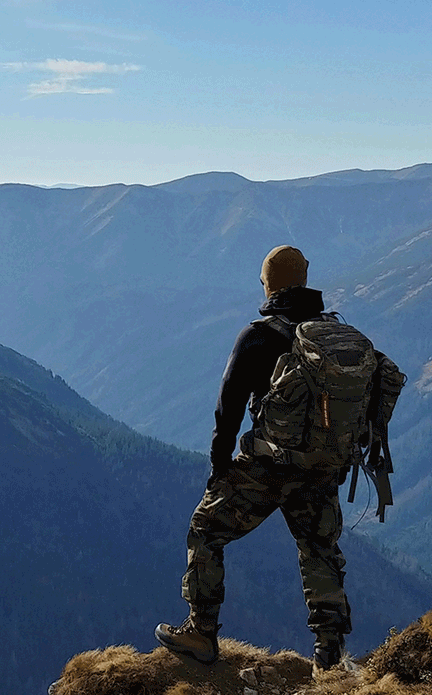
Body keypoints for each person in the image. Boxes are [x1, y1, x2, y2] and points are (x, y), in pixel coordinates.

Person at [156, 245, 390, 670]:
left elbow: (227, 409)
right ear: (303, 279)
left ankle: (201, 632)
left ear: (270, 283)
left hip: (266, 466)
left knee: (206, 530)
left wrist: (219, 468)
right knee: (319, 550)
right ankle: (330, 653)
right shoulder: (334, 336)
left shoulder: (258, 336)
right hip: (320, 468)